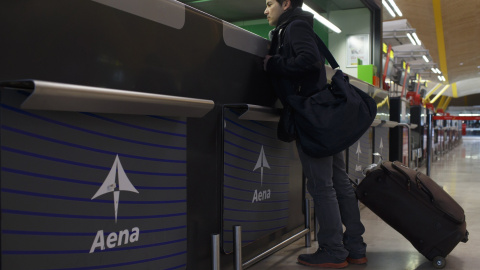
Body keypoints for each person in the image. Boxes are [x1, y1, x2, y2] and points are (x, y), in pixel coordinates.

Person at [263, 0, 367, 268]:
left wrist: (272, 63)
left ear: (285, 3)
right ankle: (355, 247)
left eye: (268, 3)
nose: (265, 11)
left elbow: (308, 61)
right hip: (322, 116)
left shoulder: (294, 27)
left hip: (311, 118)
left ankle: (333, 250)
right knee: (338, 182)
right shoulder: (300, 25)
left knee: (322, 186)